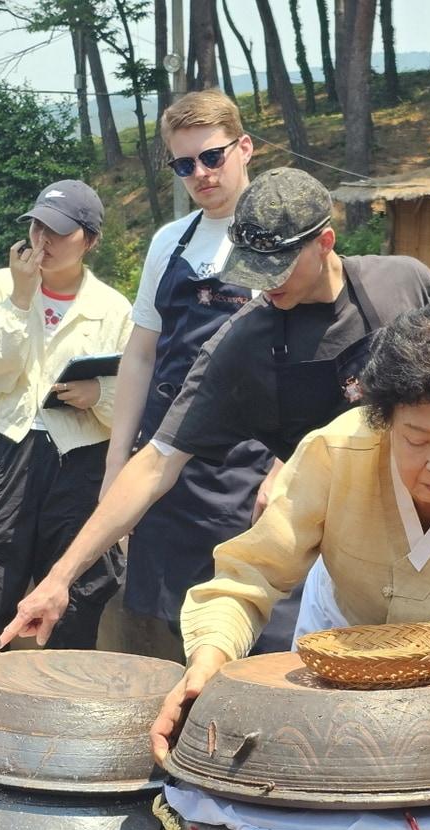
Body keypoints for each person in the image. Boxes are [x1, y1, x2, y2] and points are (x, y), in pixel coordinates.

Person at [0, 168, 430, 647]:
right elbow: (156, 462)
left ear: (325, 242)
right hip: (331, 553)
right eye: (253, 267)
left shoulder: (403, 284)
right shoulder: (243, 343)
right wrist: (60, 577)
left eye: (277, 266)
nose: (265, 285)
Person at [150, 299, 430, 760]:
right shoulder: (334, 453)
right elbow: (247, 579)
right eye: (416, 440)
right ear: (383, 420)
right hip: (342, 642)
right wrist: (208, 663)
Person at [108, 91, 296, 660]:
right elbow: (141, 355)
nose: (201, 175)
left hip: (248, 468)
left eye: (212, 158)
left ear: (245, 148)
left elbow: (310, 363)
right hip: (167, 464)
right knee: (161, 630)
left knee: (245, 628)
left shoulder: (278, 235)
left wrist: (286, 468)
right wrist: (118, 466)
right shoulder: (171, 241)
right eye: (184, 165)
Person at [0, 179, 132, 648]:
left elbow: (130, 399)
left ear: (91, 240)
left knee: (77, 590)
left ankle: (61, 699)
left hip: (82, 457)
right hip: (12, 449)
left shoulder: (113, 308)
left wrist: (96, 393)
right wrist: (21, 299)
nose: (44, 241)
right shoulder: (1, 286)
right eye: (38, 227)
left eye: (59, 232)